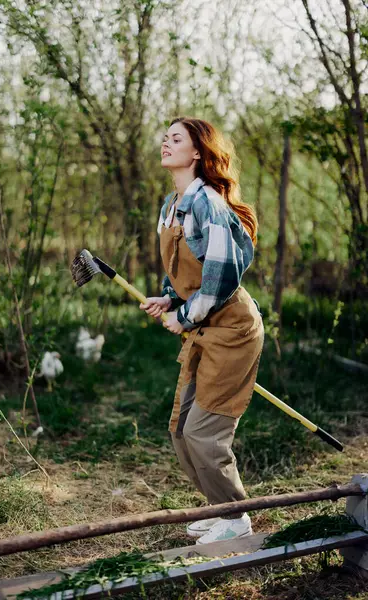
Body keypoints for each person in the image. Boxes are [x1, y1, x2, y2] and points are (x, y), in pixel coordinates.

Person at [139, 117, 264, 544]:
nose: (165, 143)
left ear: (197, 152)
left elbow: (223, 274)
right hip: (204, 325)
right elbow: (184, 269)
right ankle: (221, 509)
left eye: (176, 139)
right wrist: (169, 299)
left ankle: (237, 517)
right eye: (165, 137)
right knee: (180, 429)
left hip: (232, 330)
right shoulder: (171, 205)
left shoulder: (209, 201)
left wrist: (186, 315)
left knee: (203, 429)